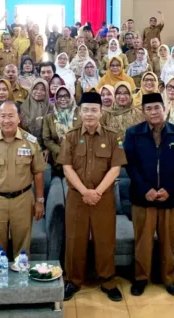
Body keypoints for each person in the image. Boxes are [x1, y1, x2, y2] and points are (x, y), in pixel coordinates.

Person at [59, 91, 126, 302]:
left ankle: (107, 280)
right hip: (76, 198)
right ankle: (73, 280)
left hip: (103, 198)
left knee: (105, 240)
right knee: (74, 240)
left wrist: (96, 192)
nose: (89, 114)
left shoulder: (113, 136)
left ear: (101, 112)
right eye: (85, 110)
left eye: (93, 110)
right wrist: (84, 192)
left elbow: (116, 168)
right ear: (80, 111)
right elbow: (66, 168)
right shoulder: (70, 137)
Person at [123, 93, 174, 297]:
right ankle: (141, 278)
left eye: (157, 107)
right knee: (143, 241)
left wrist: (169, 188)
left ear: (165, 108)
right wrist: (146, 189)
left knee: (169, 241)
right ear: (143, 111)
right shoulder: (133, 134)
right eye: (149, 108)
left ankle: (169, 278)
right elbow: (131, 165)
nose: (153, 112)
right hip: (143, 198)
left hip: (170, 197)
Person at [0, 101, 45, 258]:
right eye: (3, 116)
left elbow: (38, 173)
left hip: (23, 200)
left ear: (18, 118)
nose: (7, 120)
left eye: (11, 116)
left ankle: (21, 280)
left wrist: (40, 201)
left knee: (22, 248)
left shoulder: (31, 142)